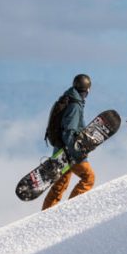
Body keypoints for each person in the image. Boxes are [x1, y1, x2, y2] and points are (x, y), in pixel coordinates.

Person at [42, 74, 96, 210]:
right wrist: (76, 153)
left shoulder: (67, 99)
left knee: (60, 185)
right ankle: (72, 210)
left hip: (59, 151)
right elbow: (69, 132)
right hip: (70, 151)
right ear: (87, 90)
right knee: (88, 178)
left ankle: (45, 217)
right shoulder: (75, 106)